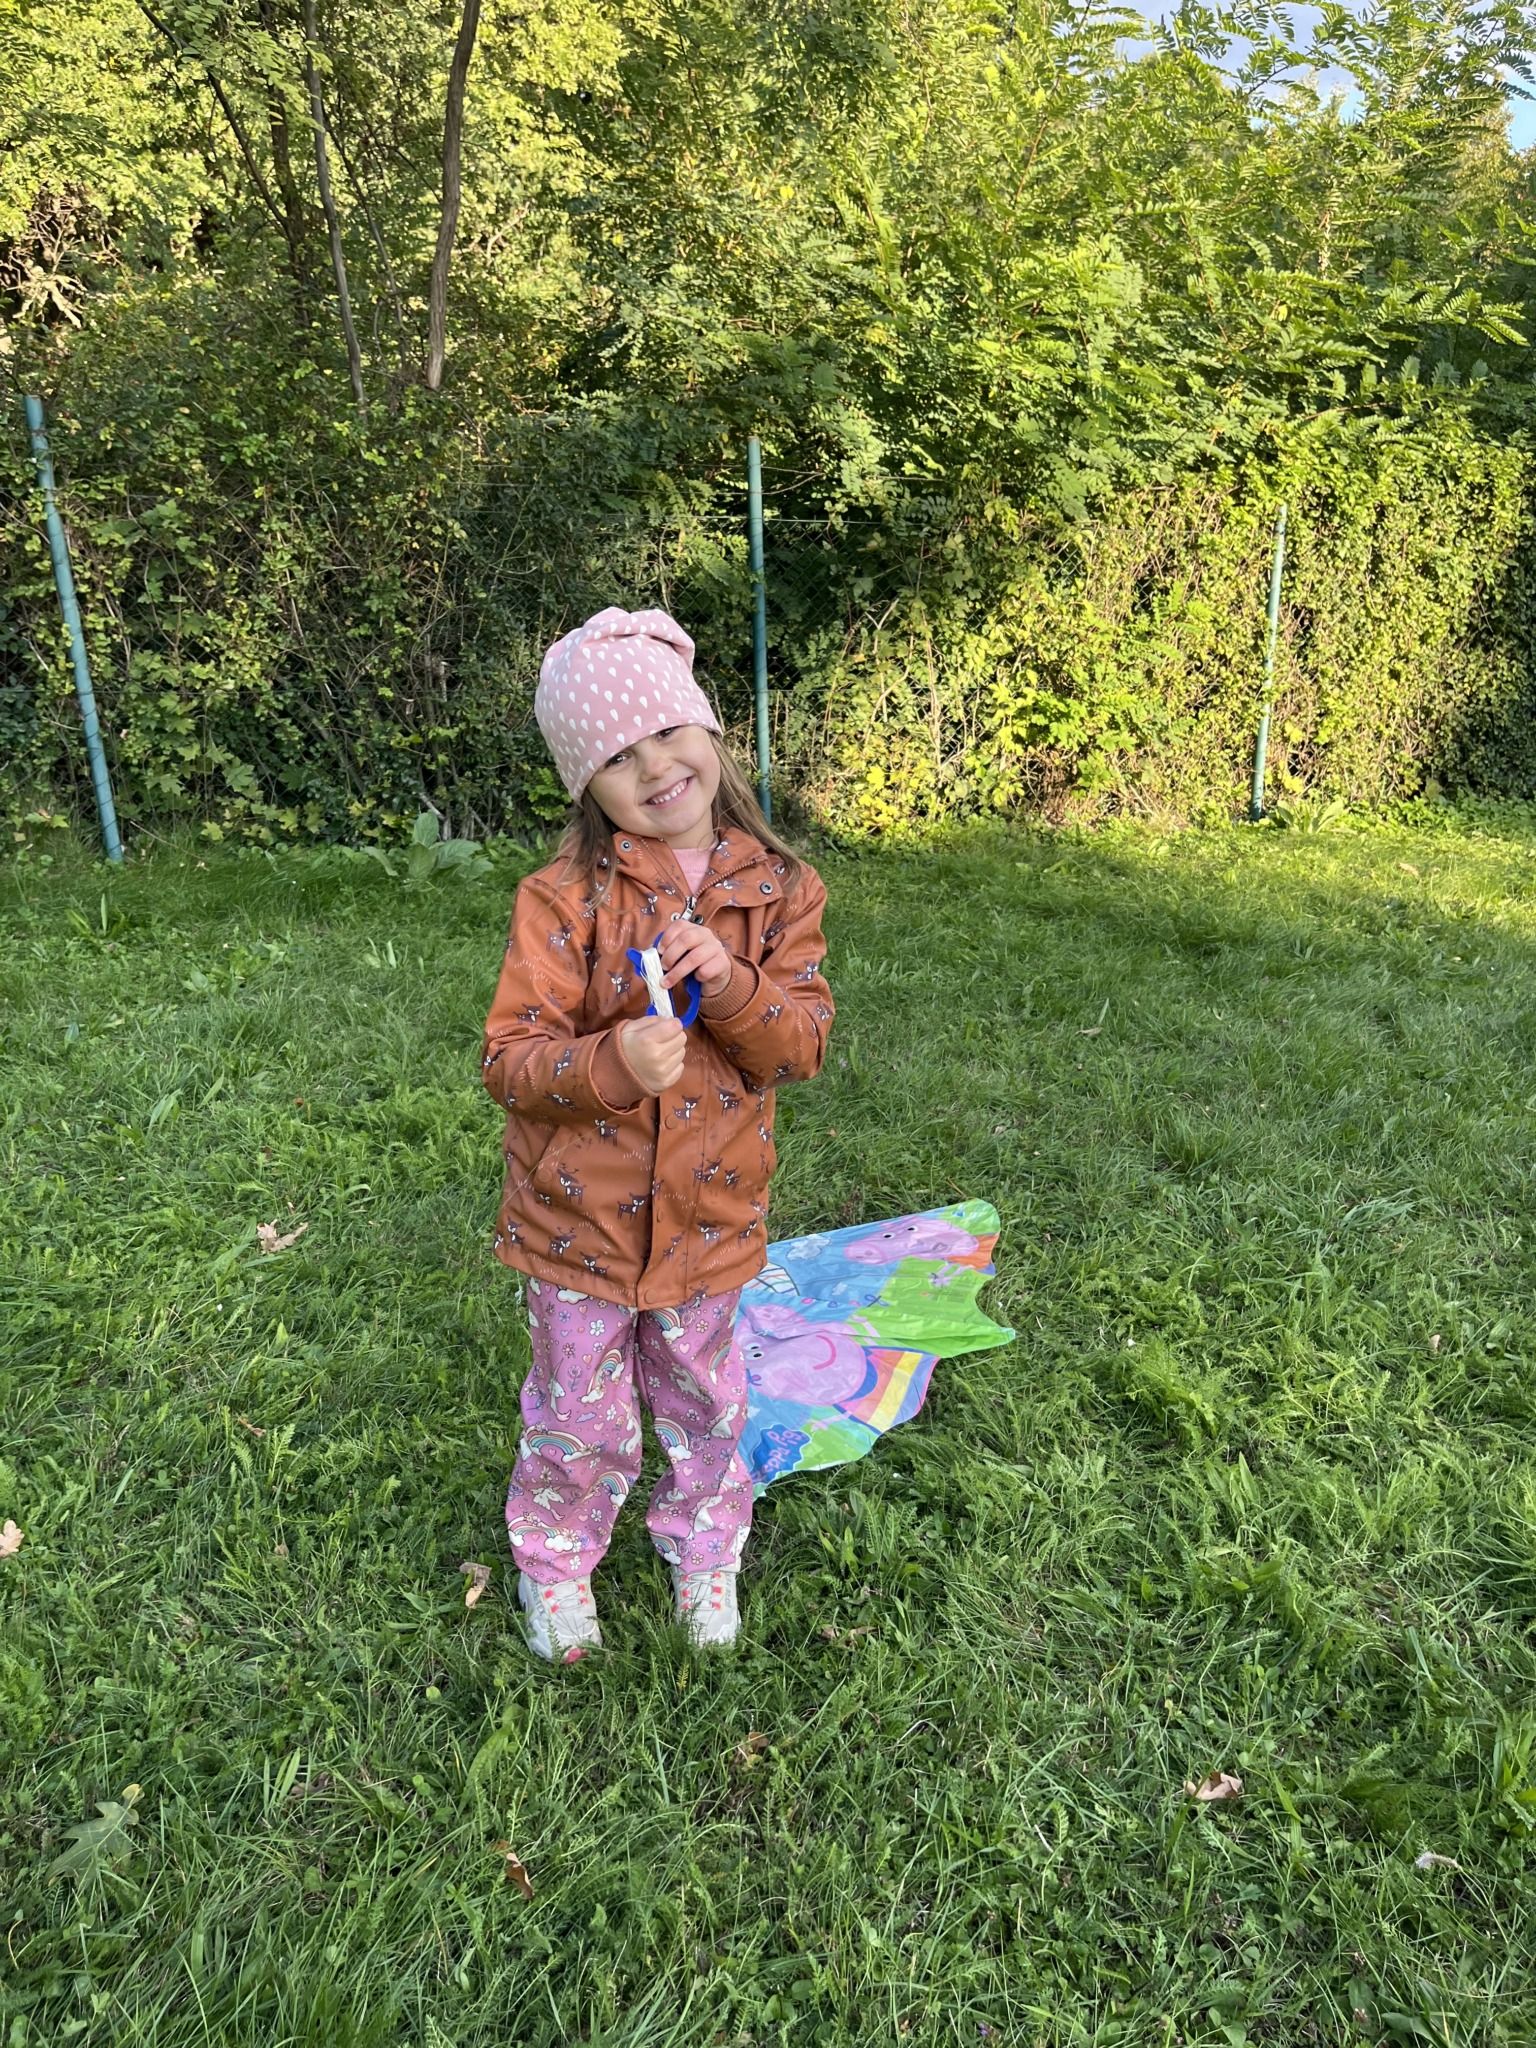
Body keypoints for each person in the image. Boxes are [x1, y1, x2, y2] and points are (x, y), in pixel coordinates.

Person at [481, 606, 834, 1661]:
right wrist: (610, 1065)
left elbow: (799, 1046)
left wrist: (732, 984)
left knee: (707, 1400)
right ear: (585, 784)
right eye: (618, 755)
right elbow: (509, 1059)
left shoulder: (781, 891)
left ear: (707, 727)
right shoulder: (562, 899)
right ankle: (556, 1562)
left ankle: (706, 1552)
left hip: (710, 1217)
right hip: (577, 1226)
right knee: (576, 1412)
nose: (654, 767)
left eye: (668, 732)